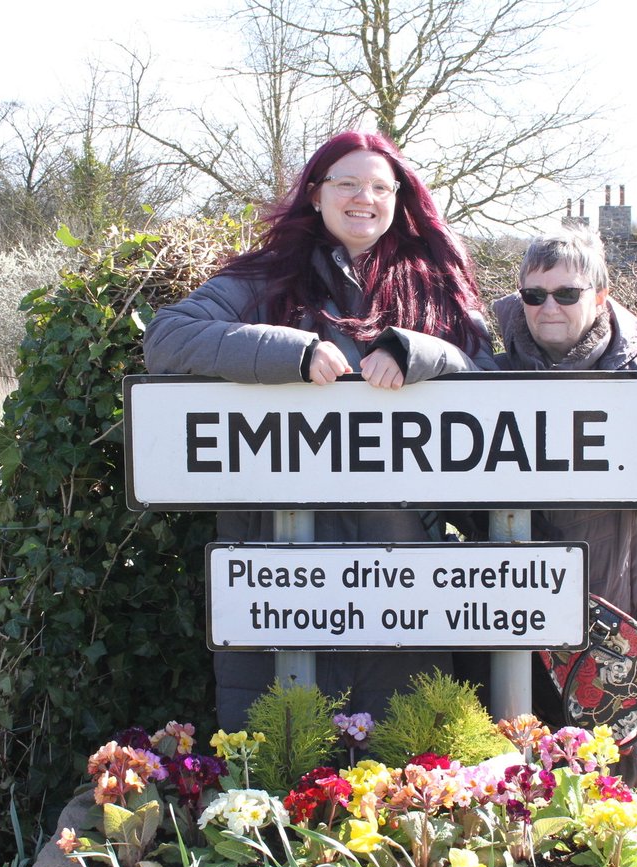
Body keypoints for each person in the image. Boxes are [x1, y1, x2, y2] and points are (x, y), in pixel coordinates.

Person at [143, 131, 496, 731]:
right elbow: (167, 338)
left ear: (399, 198)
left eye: (381, 187)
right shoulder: (264, 280)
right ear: (315, 193)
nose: (365, 198)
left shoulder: (432, 283)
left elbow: (489, 382)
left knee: (410, 783)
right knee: (278, 775)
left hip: (406, 573)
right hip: (278, 567)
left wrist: (421, 352)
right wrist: (291, 352)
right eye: (348, 183)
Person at [462, 223, 637, 788]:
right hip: (506, 612)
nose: (549, 306)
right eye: (534, 294)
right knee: (507, 779)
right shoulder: (488, 376)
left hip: (609, 609)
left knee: (601, 785)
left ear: (599, 296)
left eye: (567, 294)